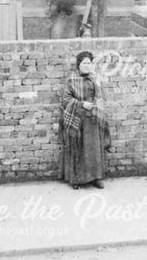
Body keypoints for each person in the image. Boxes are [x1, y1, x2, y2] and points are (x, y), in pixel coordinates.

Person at [61, 51, 110, 190]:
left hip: (93, 119)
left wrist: (96, 104)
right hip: (78, 119)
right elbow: (66, 99)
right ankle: (76, 179)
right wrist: (82, 104)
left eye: (89, 63)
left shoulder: (94, 79)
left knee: (94, 149)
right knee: (78, 148)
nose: (87, 66)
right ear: (78, 65)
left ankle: (96, 178)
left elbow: (100, 96)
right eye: (84, 63)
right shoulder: (71, 80)